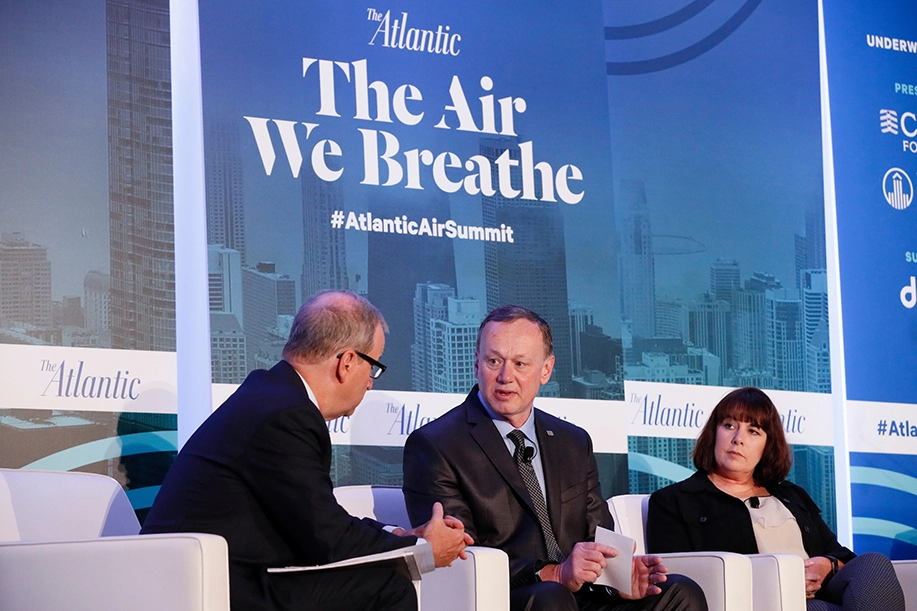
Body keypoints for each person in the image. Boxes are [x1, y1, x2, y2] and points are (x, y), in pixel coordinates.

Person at [142, 290, 472, 611]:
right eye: (373, 368)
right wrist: (423, 548)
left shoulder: (273, 396)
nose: (371, 382)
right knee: (387, 589)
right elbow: (328, 539)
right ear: (346, 362)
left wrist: (400, 534)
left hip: (216, 578)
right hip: (209, 589)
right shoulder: (286, 415)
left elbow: (318, 519)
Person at [402, 305, 707, 611]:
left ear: (546, 370)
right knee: (552, 597)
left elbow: (597, 534)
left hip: (584, 597)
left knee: (681, 592)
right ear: (476, 364)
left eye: (521, 363)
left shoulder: (573, 441)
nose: (506, 376)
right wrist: (553, 574)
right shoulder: (435, 445)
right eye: (494, 361)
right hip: (512, 598)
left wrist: (619, 580)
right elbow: (459, 555)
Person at [646, 386, 905, 611]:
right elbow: (678, 583)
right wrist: (782, 581)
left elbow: (840, 554)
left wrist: (827, 565)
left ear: (767, 445)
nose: (738, 439)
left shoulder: (791, 495)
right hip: (761, 602)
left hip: (821, 591)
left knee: (873, 563)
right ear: (714, 433)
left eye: (753, 431)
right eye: (729, 426)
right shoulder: (675, 501)